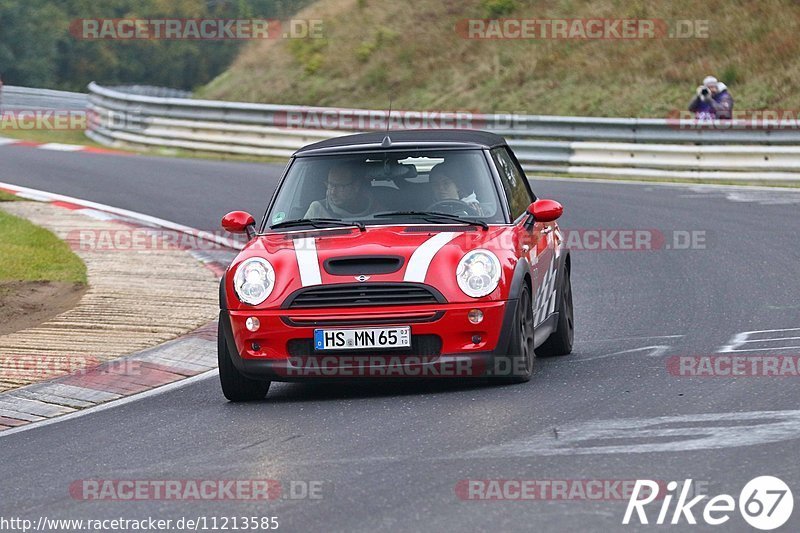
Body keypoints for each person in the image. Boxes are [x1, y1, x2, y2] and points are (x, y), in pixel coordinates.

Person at [304, 162, 378, 218]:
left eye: (339, 186)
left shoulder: (378, 213)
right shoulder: (317, 210)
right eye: (330, 185)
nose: (333, 192)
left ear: (356, 186)